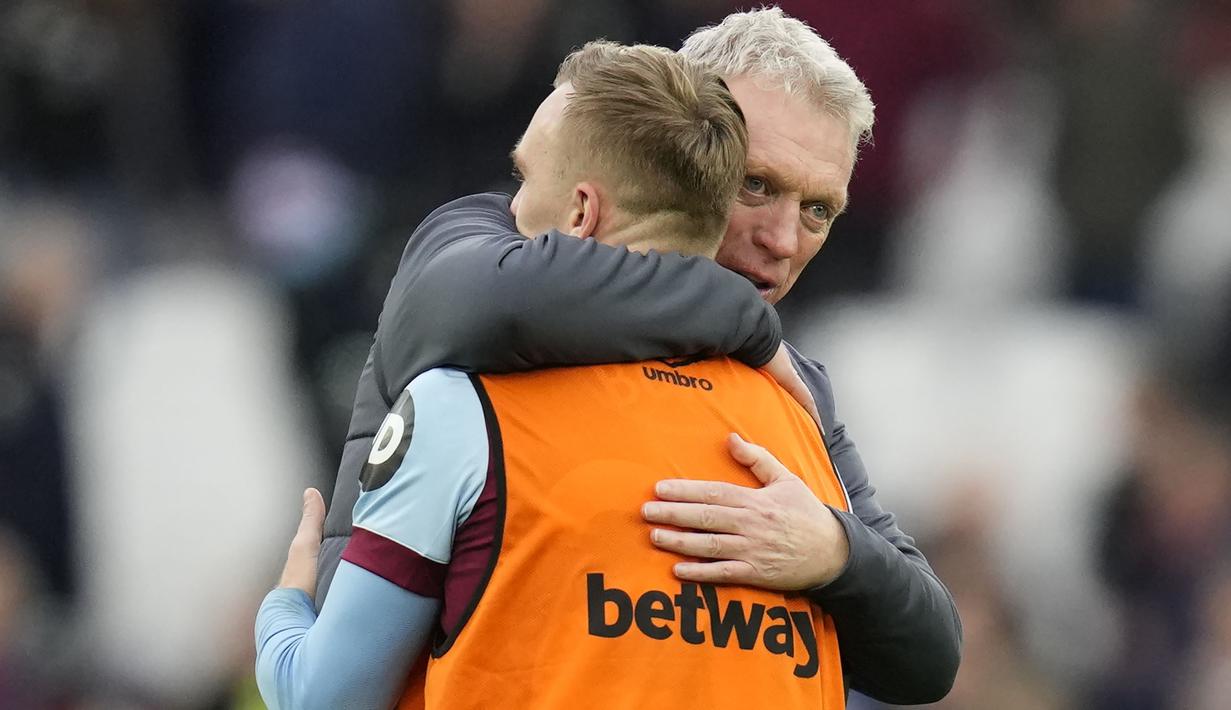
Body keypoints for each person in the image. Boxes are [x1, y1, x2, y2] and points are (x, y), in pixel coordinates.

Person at [314, 7, 960, 705]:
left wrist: (835, 553)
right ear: (680, 142)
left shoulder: (785, 390)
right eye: (757, 185)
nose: (782, 239)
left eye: (817, 211)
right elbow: (486, 300)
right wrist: (749, 323)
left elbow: (930, 654)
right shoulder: (478, 241)